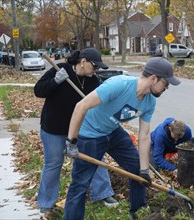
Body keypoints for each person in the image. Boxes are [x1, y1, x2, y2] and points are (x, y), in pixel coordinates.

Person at [63, 57, 181, 220]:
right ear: (153, 78)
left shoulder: (150, 101)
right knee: (81, 183)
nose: (166, 87)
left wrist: (144, 170)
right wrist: (71, 141)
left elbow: (145, 135)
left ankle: (138, 212)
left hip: (113, 132)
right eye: (165, 83)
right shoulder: (118, 85)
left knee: (137, 172)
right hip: (89, 135)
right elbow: (80, 106)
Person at [34, 48, 118, 217]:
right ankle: (46, 203)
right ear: (82, 61)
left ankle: (103, 193)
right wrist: (55, 81)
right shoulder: (60, 69)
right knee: (53, 164)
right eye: (94, 66)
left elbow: (99, 104)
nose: (96, 70)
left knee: (95, 158)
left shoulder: (93, 81)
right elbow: (38, 91)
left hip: (81, 129)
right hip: (54, 129)